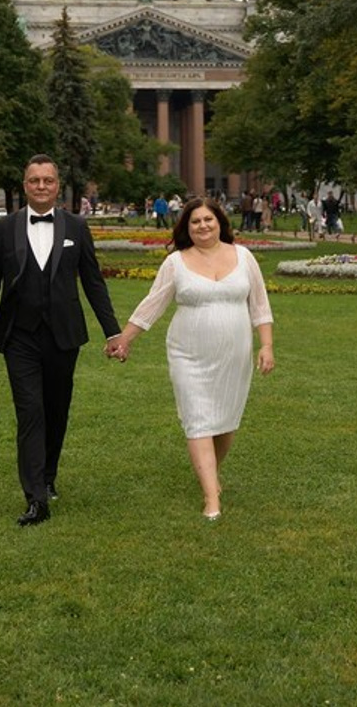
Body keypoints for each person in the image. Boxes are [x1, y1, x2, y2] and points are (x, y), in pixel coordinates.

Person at [0, 154, 124, 526]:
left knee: (56, 411)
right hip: (18, 335)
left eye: (48, 181)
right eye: (34, 180)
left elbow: (93, 282)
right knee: (30, 412)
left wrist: (112, 331)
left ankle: (48, 476)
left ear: (57, 186)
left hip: (63, 335)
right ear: (25, 186)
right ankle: (36, 497)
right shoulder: (3, 229)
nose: (41, 186)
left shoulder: (76, 226)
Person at [110, 197, 274, 521]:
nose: (202, 226)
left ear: (220, 222)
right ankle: (211, 496)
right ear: (186, 227)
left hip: (234, 356)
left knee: (225, 424)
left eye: (208, 220)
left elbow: (260, 306)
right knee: (198, 419)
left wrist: (266, 345)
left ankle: (211, 474)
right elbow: (152, 304)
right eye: (195, 221)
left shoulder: (244, 257)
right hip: (188, 354)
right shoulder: (176, 263)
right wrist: (124, 340)